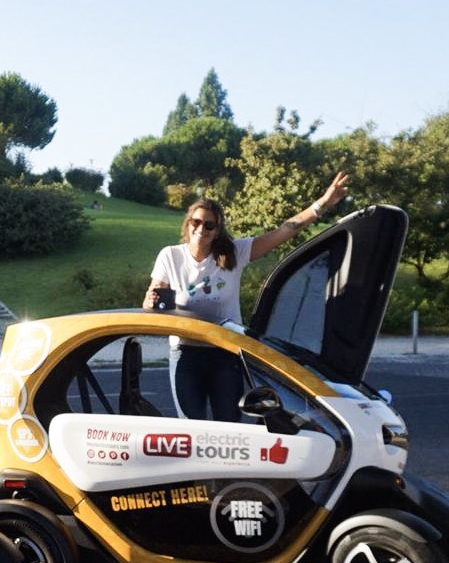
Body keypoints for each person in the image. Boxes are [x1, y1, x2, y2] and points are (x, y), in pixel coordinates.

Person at [143, 172, 350, 421]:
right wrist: (150, 302)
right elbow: (153, 299)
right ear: (187, 224)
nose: (201, 229)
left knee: (230, 426)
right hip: (185, 353)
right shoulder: (170, 255)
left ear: (217, 230)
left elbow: (285, 230)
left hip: (225, 352)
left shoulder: (234, 252)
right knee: (191, 427)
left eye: (209, 225)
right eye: (196, 222)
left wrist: (323, 203)